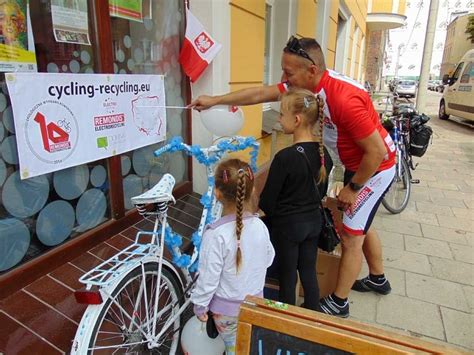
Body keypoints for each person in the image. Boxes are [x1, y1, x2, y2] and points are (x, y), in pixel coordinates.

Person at [190, 36, 396, 318]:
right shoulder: (304, 93)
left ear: (311, 71)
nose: (282, 79)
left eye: (288, 73)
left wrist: (354, 187)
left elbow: (377, 151)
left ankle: (339, 302)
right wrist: (215, 100)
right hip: (357, 162)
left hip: (377, 167)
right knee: (361, 220)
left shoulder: (343, 99)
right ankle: (377, 277)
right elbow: (258, 95)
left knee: (351, 235)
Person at [190, 158, 275, 354]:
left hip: (225, 311)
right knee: (245, 347)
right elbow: (269, 259)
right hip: (255, 305)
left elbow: (208, 278)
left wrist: (200, 307)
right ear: (252, 191)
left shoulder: (215, 234)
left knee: (233, 348)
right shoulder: (260, 226)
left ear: (217, 194)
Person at [259, 88, 333, 310]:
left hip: (289, 227)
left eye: (282, 114)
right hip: (313, 224)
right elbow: (321, 193)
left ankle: (287, 319)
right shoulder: (323, 154)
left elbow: (268, 202)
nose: (279, 119)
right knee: (308, 270)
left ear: (297, 119)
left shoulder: (285, 157)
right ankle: (312, 314)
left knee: (288, 275)